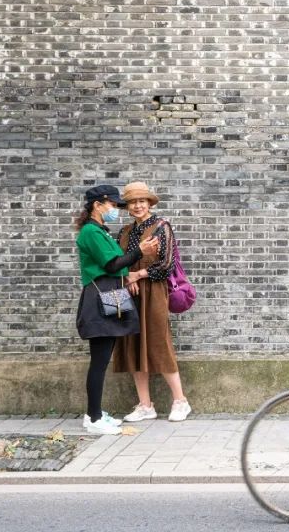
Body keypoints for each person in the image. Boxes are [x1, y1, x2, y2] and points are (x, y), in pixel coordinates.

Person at [75, 185, 158, 435]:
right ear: (98, 205)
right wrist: (139, 252)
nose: (114, 209)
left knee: (104, 355)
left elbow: (117, 267)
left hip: (112, 294)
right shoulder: (91, 231)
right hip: (101, 296)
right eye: (111, 204)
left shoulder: (101, 230)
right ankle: (93, 417)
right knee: (99, 360)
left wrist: (130, 270)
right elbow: (111, 264)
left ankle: (96, 414)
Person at [113, 182, 191, 423]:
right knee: (132, 344)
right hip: (128, 293)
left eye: (142, 201)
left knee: (159, 343)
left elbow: (166, 265)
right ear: (127, 206)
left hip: (154, 291)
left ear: (149, 203)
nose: (137, 205)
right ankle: (145, 405)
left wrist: (139, 274)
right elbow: (117, 261)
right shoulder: (124, 232)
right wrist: (127, 277)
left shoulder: (161, 227)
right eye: (133, 202)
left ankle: (180, 401)